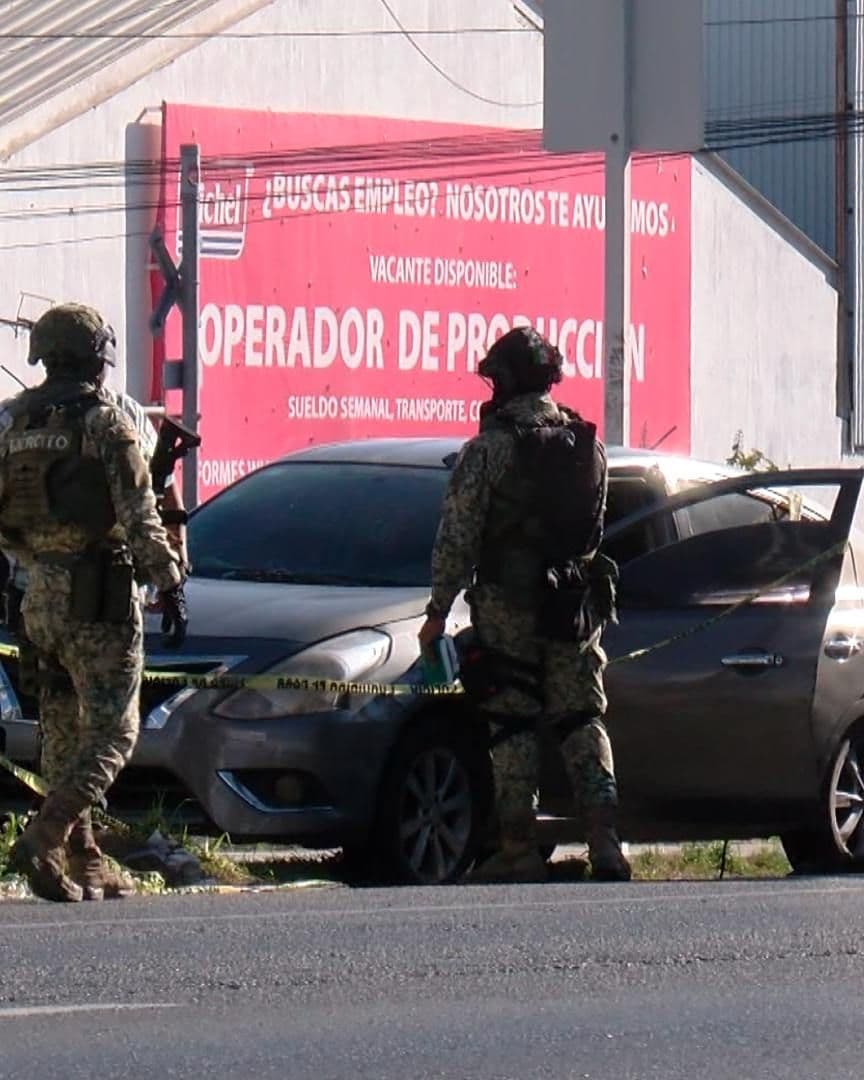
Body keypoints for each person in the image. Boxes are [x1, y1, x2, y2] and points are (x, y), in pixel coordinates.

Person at [418, 326, 631, 884]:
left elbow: (457, 537)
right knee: (582, 719)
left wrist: (437, 612)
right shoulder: (589, 445)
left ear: (507, 381)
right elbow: (594, 529)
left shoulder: (489, 449)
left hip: (508, 607)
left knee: (512, 724)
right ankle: (605, 840)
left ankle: (516, 848)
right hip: (573, 609)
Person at [0, 302, 186, 902]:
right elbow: (138, 514)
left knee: (60, 733)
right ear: (98, 356)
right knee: (113, 734)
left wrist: (36, 561)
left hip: (36, 597)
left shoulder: (12, 423)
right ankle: (46, 835)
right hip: (97, 596)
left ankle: (82, 859)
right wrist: (170, 579)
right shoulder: (105, 422)